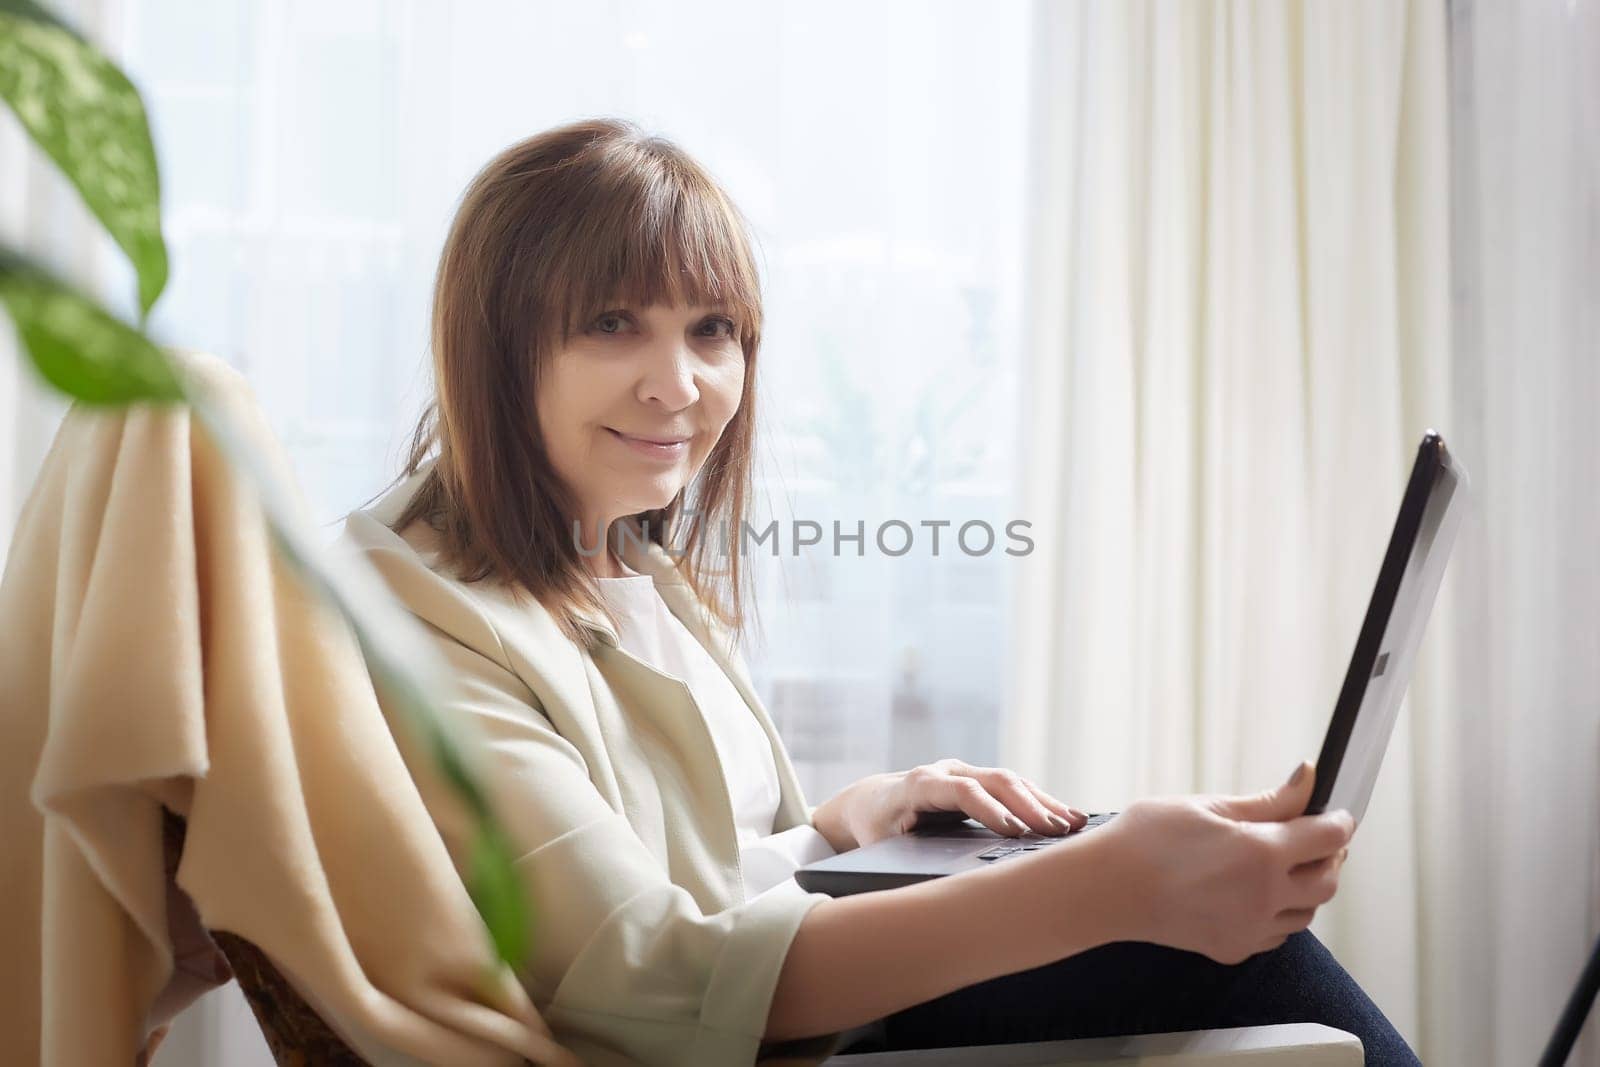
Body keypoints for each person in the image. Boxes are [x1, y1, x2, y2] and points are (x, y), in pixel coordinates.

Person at [336, 117, 1420, 1066]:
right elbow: (645, 978)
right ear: (496, 342)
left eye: (711, 328)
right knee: (1214, 958)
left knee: (1221, 949)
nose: (679, 382)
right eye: (613, 323)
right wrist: (1106, 883)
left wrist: (841, 828)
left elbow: (684, 879)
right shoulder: (421, 615)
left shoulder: (628, 563)